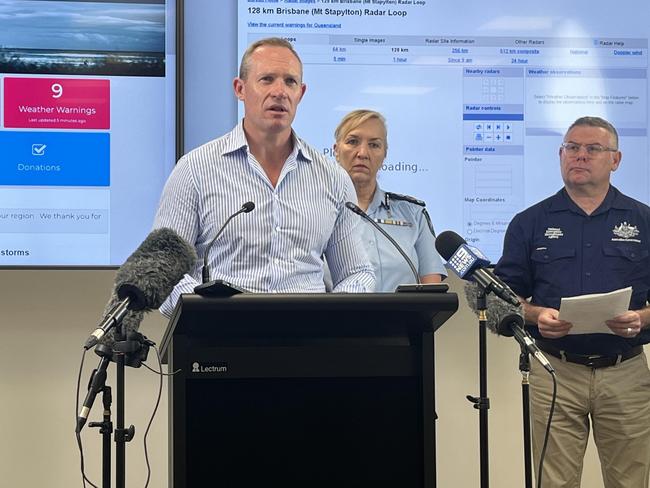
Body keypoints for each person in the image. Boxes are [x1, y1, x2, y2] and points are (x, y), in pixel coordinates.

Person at [153, 38, 375, 315]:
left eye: (290, 82)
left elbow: (358, 273)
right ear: (240, 89)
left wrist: (329, 315)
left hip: (309, 342)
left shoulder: (333, 179)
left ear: (301, 93)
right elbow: (163, 267)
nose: (279, 92)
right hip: (220, 341)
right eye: (267, 79)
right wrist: (207, 314)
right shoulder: (195, 170)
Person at [494, 116, 650, 488]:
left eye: (592, 149)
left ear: (616, 159)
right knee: (555, 483)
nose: (579, 156)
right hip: (554, 371)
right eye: (571, 148)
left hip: (625, 372)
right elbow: (502, 297)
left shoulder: (644, 221)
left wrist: (642, 318)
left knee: (631, 481)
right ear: (560, 155)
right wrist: (533, 314)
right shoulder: (529, 222)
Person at [333, 109, 445, 292]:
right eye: (353, 142)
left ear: (385, 154)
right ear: (336, 151)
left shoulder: (414, 214)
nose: (362, 153)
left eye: (374, 145)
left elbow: (432, 295)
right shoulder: (318, 212)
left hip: (403, 320)